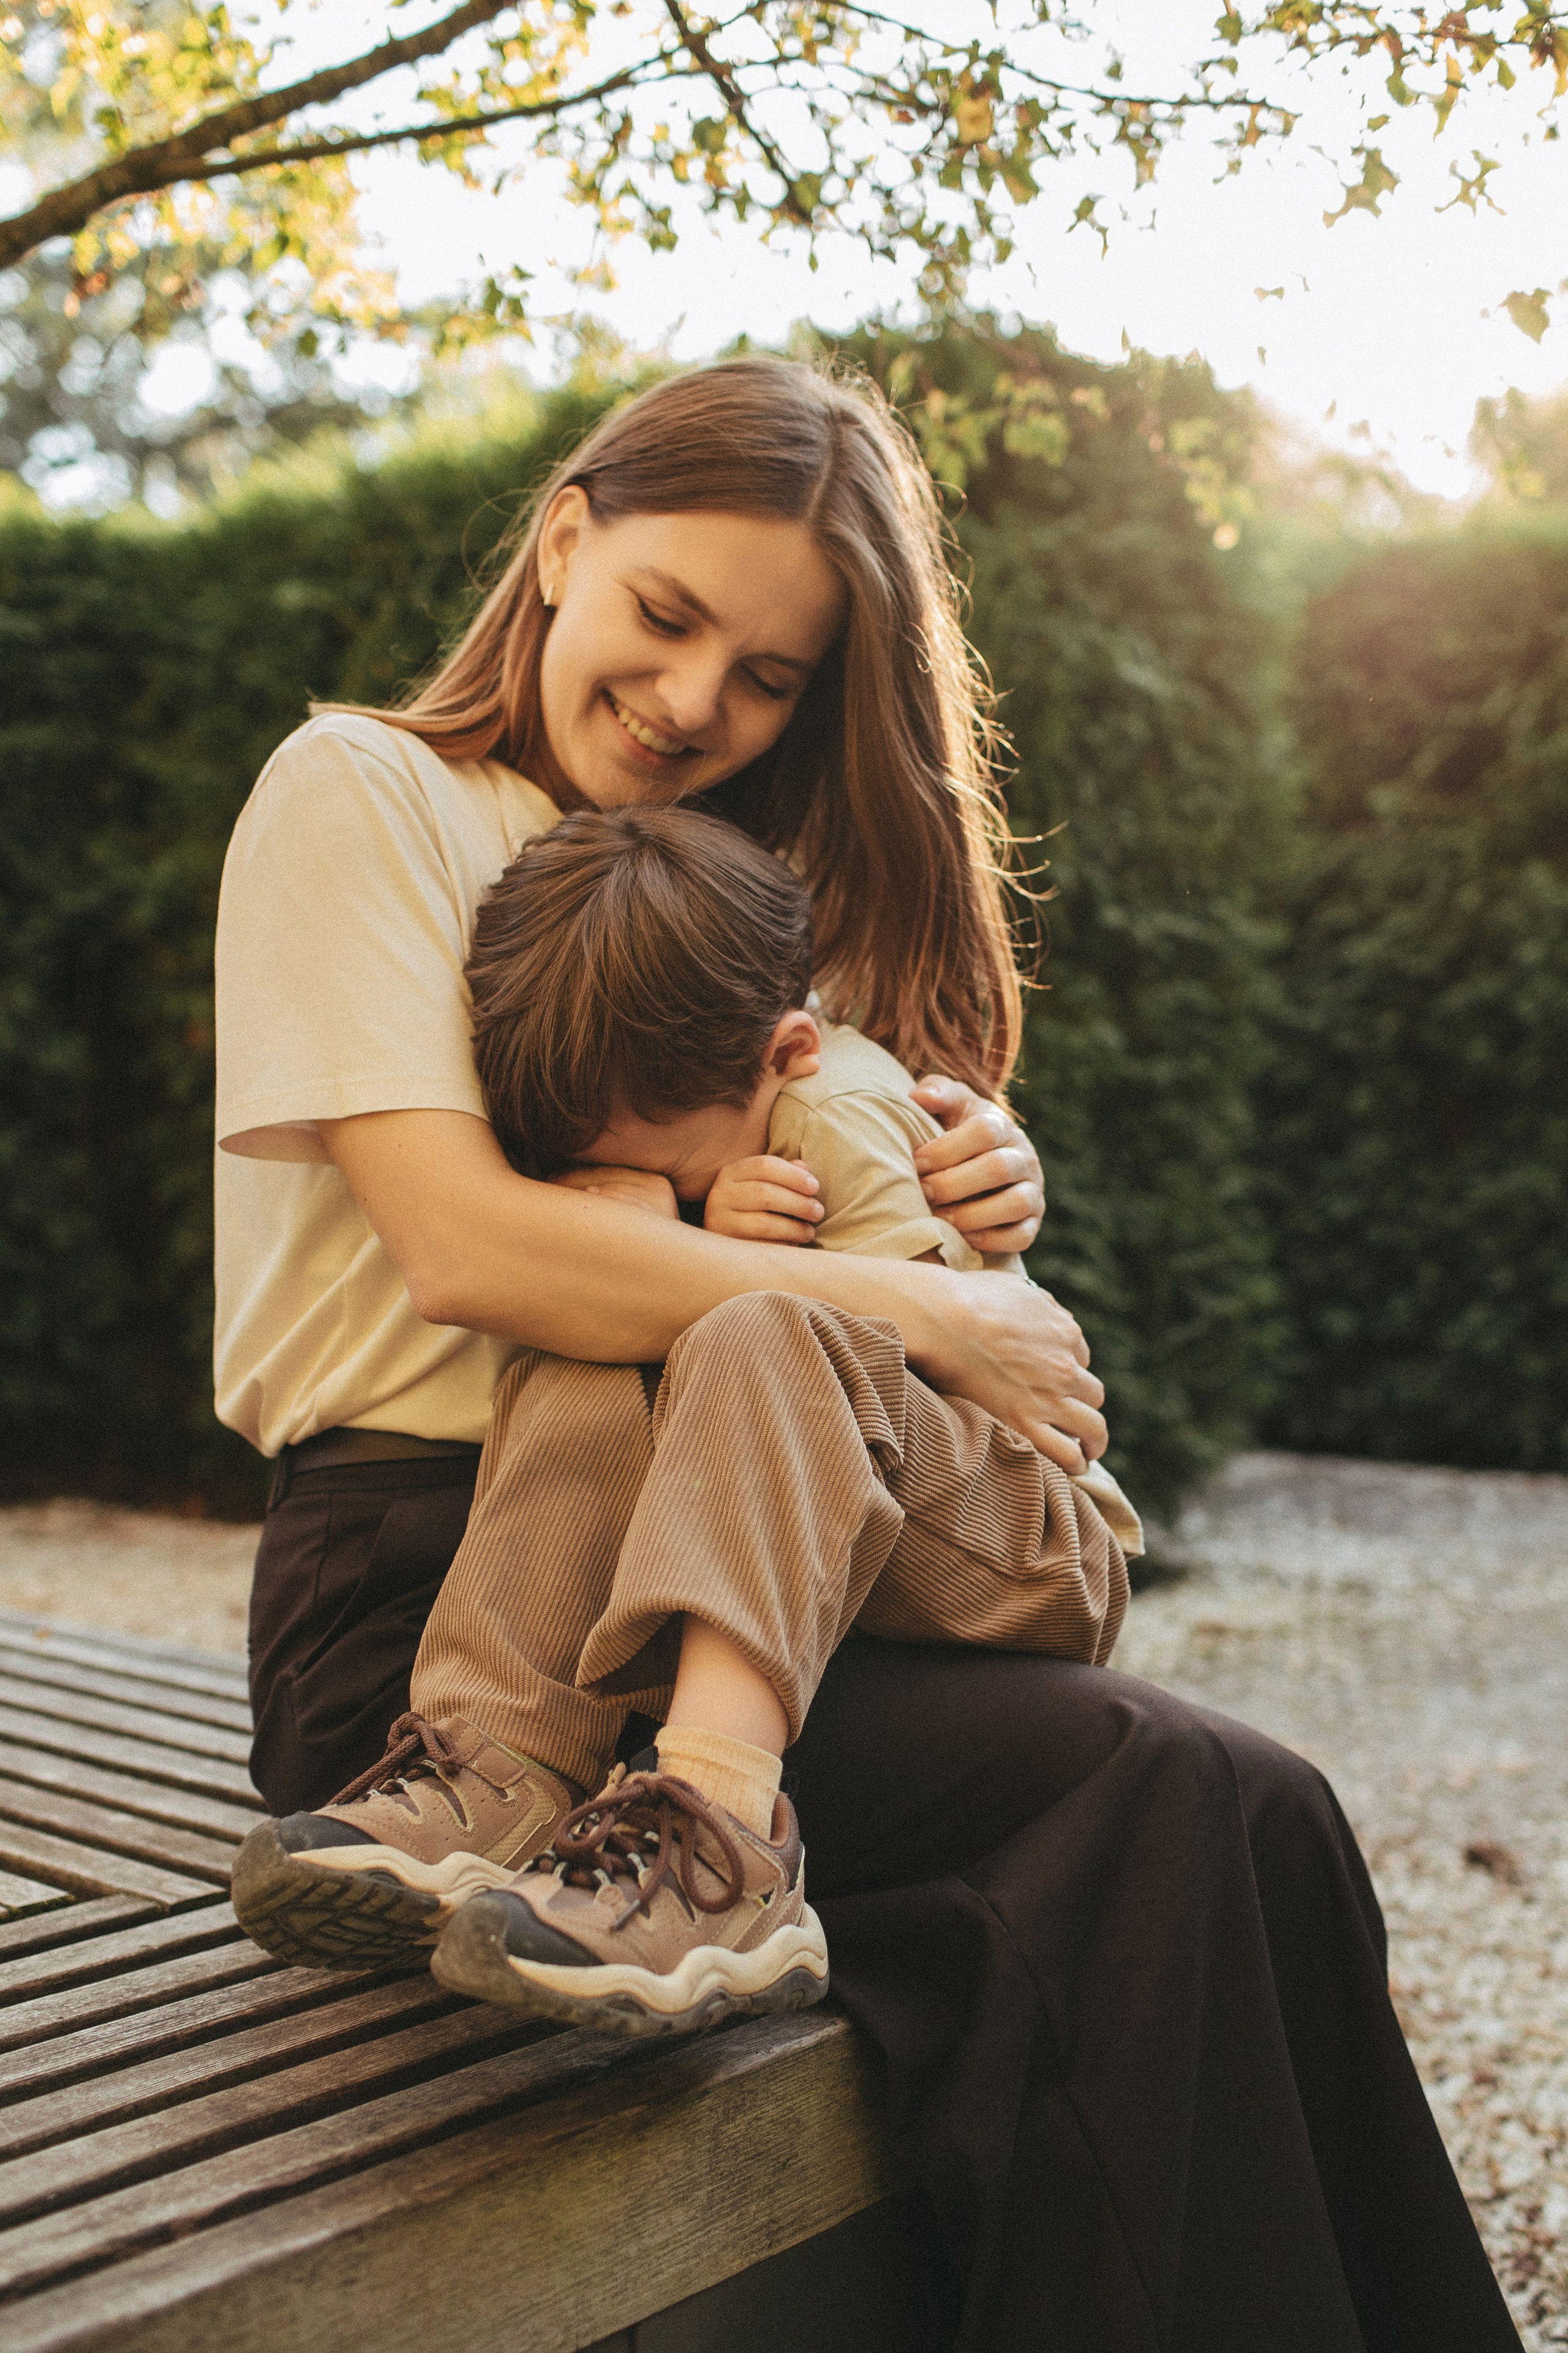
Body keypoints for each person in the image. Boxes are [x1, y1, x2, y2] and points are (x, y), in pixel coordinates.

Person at [214, 357, 1520, 2348]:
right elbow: (466, 1244)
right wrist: (923, 1308)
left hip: (734, 1572)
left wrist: (964, 1178)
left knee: (1263, 1804)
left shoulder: (727, 901)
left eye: (768, 677)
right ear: (566, 538)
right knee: (1145, 1805)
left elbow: (826, 1186)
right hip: (444, 1648)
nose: (694, 701)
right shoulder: (369, 794)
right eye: (667, 618)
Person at [230, 804, 1142, 2036]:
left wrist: (735, 1271)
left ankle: (725, 1839)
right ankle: (492, 1769)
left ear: (789, 1053)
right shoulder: (716, 1100)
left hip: (1025, 1542)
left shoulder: (846, 1123)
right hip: (846, 1512)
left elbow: (918, 1382)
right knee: (600, 1338)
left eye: (669, 1158)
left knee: (759, 1326)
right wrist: (666, 1232)